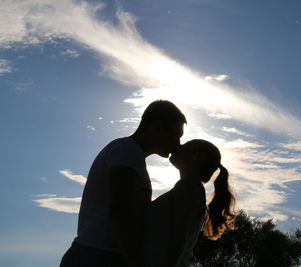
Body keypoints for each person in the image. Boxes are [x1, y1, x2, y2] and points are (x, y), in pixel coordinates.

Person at [60, 100, 186, 267]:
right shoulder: (127, 151)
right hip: (97, 255)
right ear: (157, 126)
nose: (177, 144)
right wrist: (134, 262)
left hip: (100, 254)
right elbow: (121, 208)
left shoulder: (132, 155)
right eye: (176, 135)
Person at [141, 139, 236, 267]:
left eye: (185, 145)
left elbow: (178, 239)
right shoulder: (190, 189)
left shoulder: (188, 188)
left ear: (197, 157)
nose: (177, 145)